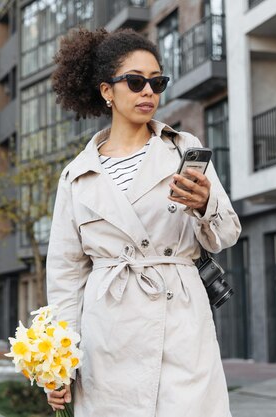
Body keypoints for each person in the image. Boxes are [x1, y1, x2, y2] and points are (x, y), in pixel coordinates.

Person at [44, 27, 241, 417]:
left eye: (157, 81)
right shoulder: (77, 175)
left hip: (181, 324)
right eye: (135, 82)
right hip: (109, 333)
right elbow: (65, 276)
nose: (148, 91)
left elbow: (227, 232)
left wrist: (204, 205)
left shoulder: (183, 149)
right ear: (107, 91)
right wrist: (60, 364)